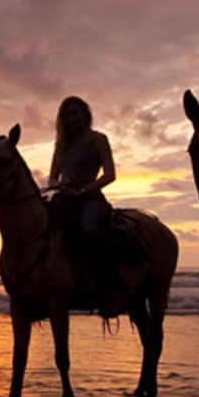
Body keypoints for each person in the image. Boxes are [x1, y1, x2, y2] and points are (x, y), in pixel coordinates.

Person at [48, 96, 128, 317]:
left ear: (85, 115)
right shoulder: (62, 145)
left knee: (90, 229)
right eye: (68, 115)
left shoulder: (98, 140)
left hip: (91, 198)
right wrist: (60, 185)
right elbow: (52, 178)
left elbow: (110, 175)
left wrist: (83, 190)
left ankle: (107, 289)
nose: (73, 118)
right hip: (65, 197)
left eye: (76, 113)